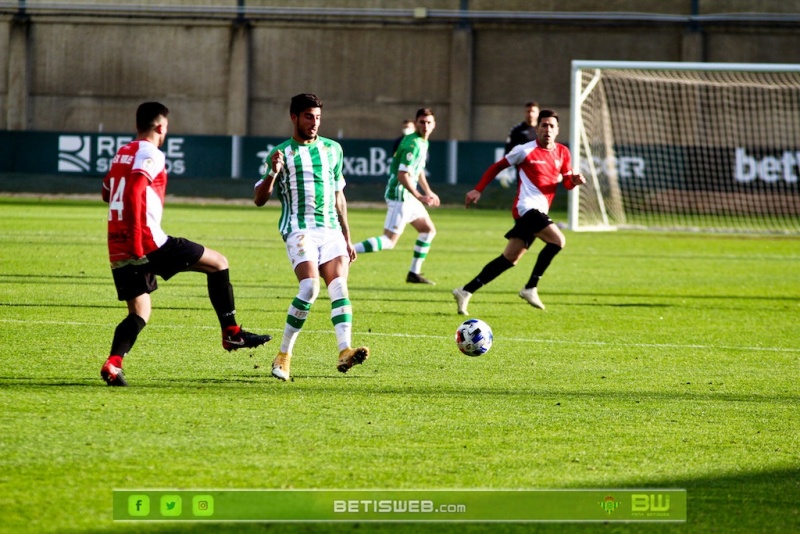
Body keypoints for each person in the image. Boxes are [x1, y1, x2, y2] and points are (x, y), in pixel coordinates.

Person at [100, 102, 271, 386]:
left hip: (117, 245)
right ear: (161, 127)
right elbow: (133, 190)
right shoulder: (150, 152)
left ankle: (113, 363)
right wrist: (136, 238)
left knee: (140, 311)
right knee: (218, 263)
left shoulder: (123, 153)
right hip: (146, 241)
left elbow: (107, 192)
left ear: (136, 125)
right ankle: (231, 333)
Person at [254, 93, 369, 382]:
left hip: (331, 230)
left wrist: (346, 235)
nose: (314, 122)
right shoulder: (281, 153)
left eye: (317, 117)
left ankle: (344, 350)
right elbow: (259, 198)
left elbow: (338, 195)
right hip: (299, 228)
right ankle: (283, 356)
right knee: (309, 289)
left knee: (340, 287)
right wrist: (272, 173)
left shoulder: (333, 149)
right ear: (294, 117)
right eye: (308, 116)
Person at [452, 109, 586, 315]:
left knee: (510, 258)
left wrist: (574, 182)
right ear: (537, 128)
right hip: (526, 208)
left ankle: (465, 290)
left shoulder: (563, 152)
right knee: (558, 241)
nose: (547, 130)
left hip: (539, 210)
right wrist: (478, 189)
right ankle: (530, 287)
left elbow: (567, 183)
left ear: (557, 130)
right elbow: (497, 166)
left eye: (552, 126)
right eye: (544, 125)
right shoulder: (524, 150)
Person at [353, 107, 440, 285]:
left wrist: (428, 191)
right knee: (389, 241)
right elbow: (403, 175)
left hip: (409, 197)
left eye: (428, 122)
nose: (425, 126)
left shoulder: (422, 142)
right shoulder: (412, 144)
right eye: (422, 122)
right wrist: (419, 195)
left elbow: (417, 170)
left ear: (434, 125)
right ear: (416, 123)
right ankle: (345, 252)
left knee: (428, 230)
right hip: (400, 195)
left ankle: (414, 273)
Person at [498, 101, 540, 187]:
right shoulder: (517, 130)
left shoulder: (542, 129)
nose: (530, 114)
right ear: (525, 113)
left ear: (538, 113)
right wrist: (504, 170)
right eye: (528, 111)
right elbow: (508, 150)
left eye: (533, 111)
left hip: (540, 166)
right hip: (522, 168)